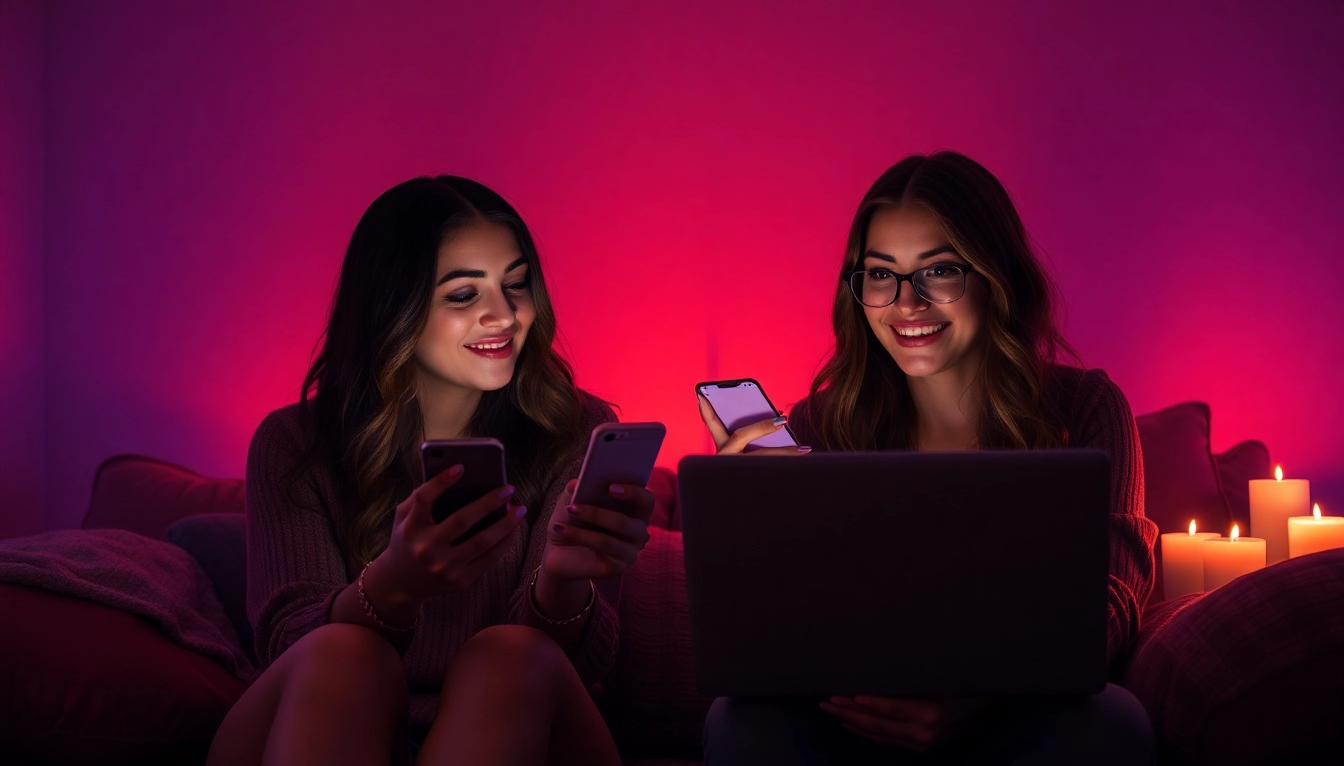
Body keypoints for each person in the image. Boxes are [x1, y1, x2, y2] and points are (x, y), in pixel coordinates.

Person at [698, 151, 1158, 764]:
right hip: (852, 720)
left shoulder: (1086, 407)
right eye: (881, 274)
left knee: (1112, 723)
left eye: (939, 272)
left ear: (997, 277)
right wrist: (746, 538)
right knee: (740, 722)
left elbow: (1113, 599)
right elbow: (773, 629)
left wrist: (986, 694)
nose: (907, 303)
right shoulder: (814, 425)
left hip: (1017, 714)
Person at [208, 176, 655, 766]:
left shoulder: (571, 430)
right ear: (396, 308)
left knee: (509, 655)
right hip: (333, 719)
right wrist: (395, 583)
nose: (504, 316)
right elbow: (287, 647)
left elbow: (580, 666)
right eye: (463, 296)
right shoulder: (294, 445)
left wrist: (564, 583)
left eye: (516, 285)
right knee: (345, 655)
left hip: (516, 727)